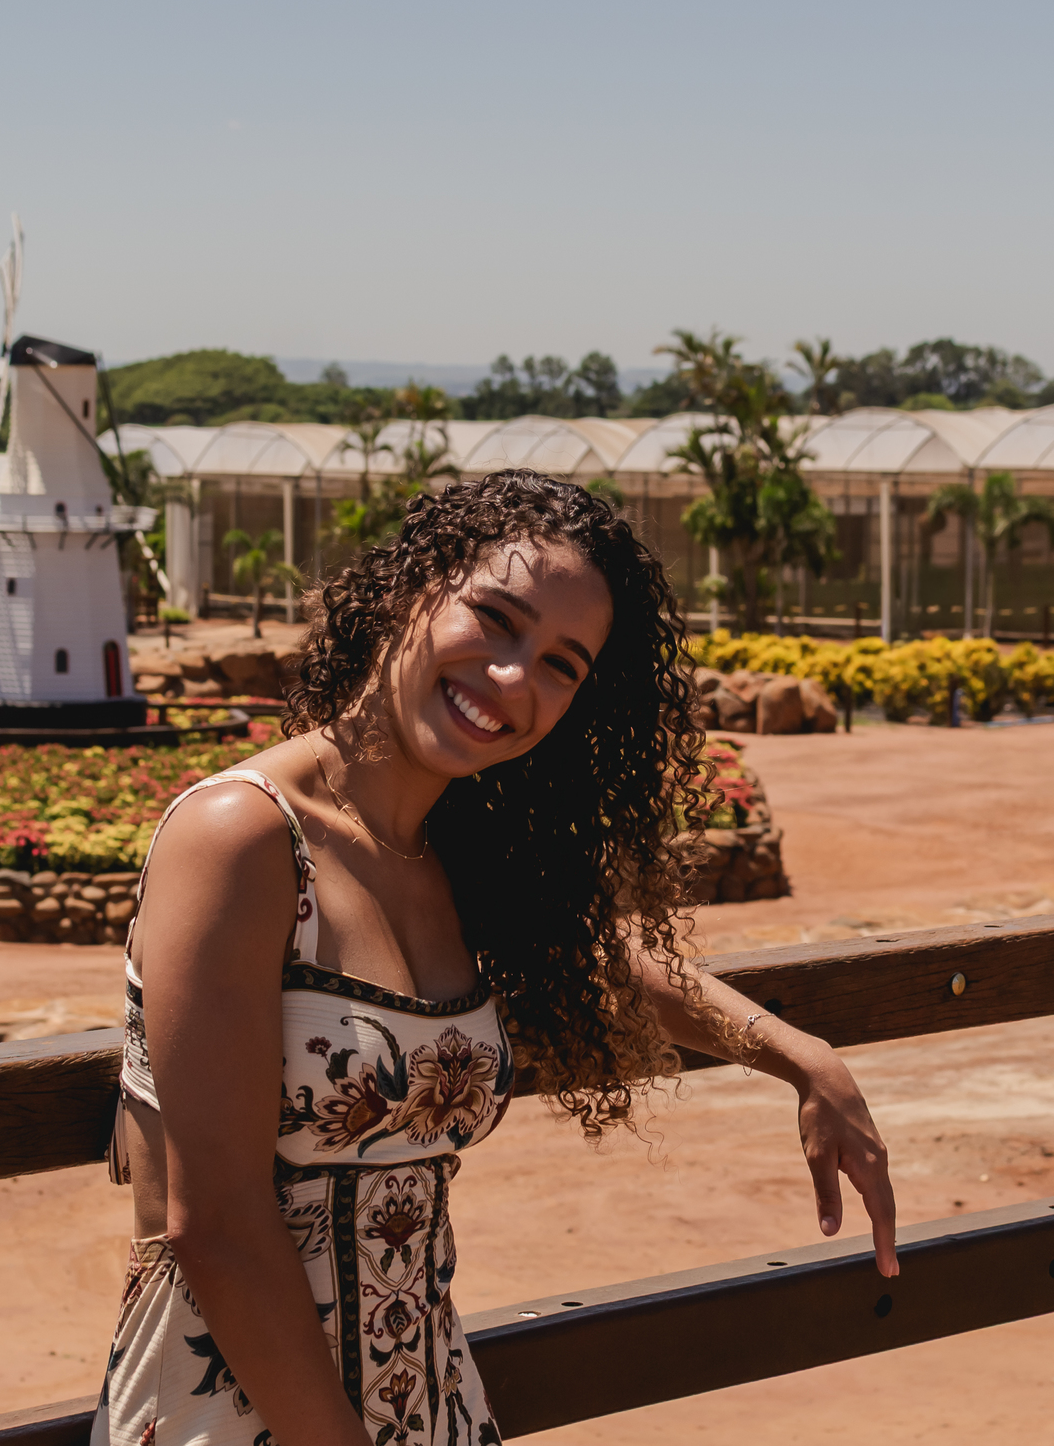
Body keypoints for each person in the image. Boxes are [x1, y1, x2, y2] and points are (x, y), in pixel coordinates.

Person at [93, 471, 896, 1446]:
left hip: (434, 1402)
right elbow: (214, 1225)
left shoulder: (457, 852)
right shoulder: (241, 837)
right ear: (410, 587)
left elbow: (604, 957)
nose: (515, 679)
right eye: (496, 618)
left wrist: (798, 1054)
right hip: (230, 1414)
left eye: (560, 664)